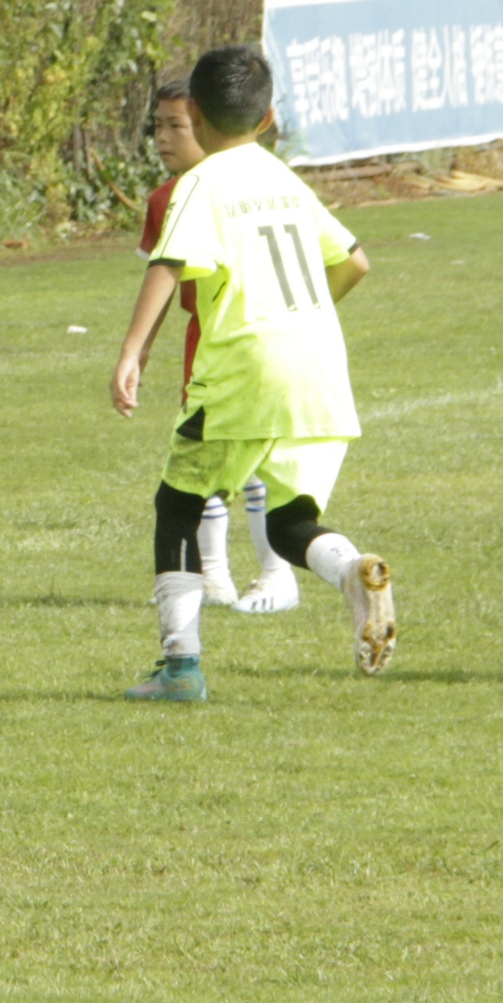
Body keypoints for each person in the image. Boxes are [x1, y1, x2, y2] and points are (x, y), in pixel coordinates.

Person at [107, 43, 396, 701]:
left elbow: (167, 261)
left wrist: (132, 351)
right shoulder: (283, 178)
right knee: (290, 518)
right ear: (267, 117)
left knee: (176, 504)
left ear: (196, 117)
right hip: (319, 363)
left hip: (246, 366)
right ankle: (352, 568)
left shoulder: (200, 182)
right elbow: (354, 260)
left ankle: (180, 669)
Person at [140, 74, 287, 614]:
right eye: (157, 126)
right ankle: (215, 576)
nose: (164, 138)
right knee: (205, 468)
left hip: (251, 342)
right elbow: (161, 279)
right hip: (203, 348)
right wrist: (143, 347)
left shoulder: (242, 190)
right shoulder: (164, 199)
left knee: (258, 465)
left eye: (177, 125)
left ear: (205, 124)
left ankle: (274, 573)